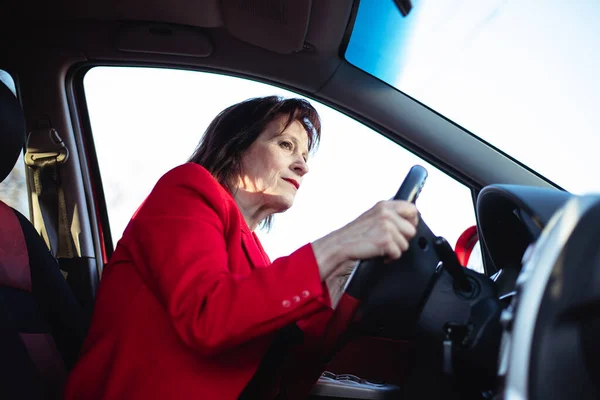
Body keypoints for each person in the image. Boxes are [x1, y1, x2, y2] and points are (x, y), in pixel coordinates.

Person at [63, 96, 419, 400]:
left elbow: (285, 369)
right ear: (236, 147)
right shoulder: (187, 189)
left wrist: (343, 274)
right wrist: (337, 245)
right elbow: (209, 316)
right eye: (286, 145)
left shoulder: (255, 255)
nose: (303, 165)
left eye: (305, 154)